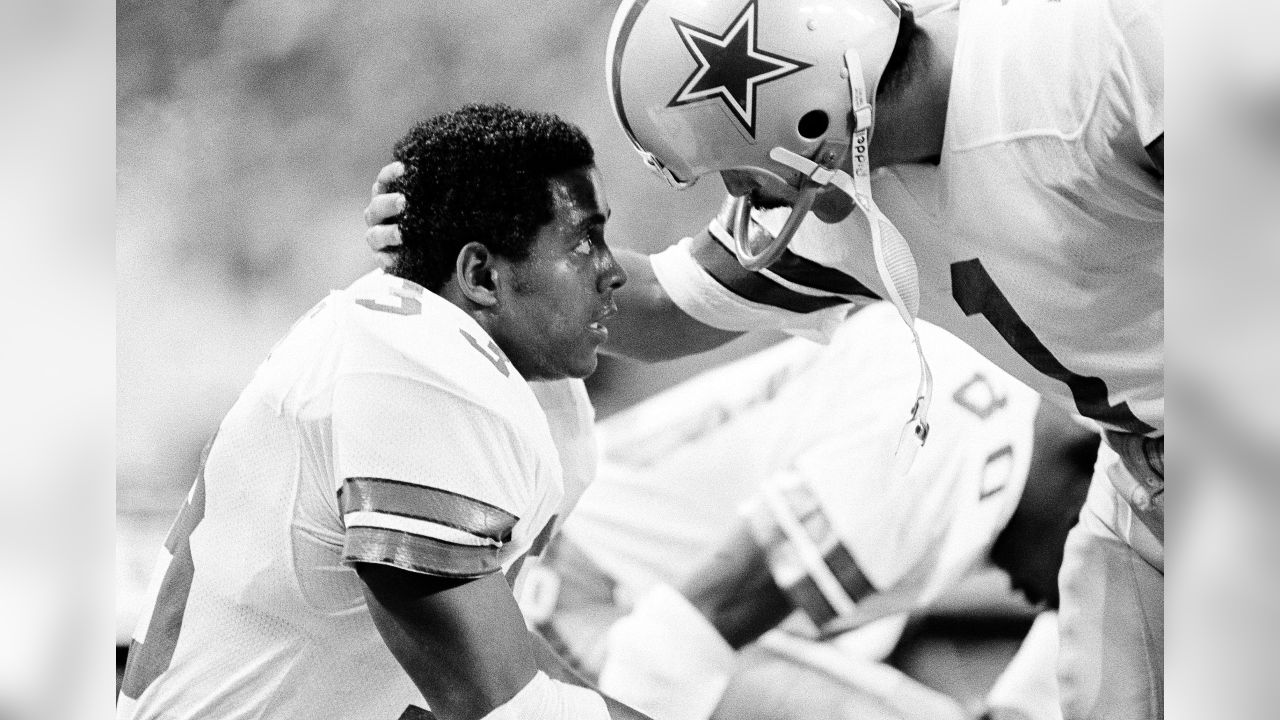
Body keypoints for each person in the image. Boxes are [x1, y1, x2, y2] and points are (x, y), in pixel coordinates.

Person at [363, 1, 1163, 717]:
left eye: (729, 167)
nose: (742, 195)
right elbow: (653, 305)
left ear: (796, 109)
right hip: (1148, 475)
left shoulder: (1100, 47)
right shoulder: (854, 200)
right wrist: (459, 247)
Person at [116, 103, 659, 720]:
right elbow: (500, 705)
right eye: (585, 241)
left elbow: (496, 667)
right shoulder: (415, 368)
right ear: (480, 273)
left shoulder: (521, 386)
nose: (614, 270)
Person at [521, 302, 1096, 720]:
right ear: (1090, 469)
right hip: (581, 598)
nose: (1067, 606)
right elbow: (669, 648)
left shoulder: (991, 399)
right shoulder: (936, 452)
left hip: (612, 575)